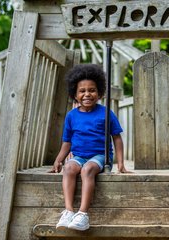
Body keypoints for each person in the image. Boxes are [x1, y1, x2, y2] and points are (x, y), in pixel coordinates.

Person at [50, 64, 130, 231]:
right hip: (78, 155)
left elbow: (117, 138)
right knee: (69, 168)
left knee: (87, 170)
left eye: (92, 90)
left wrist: (120, 163)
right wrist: (58, 160)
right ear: (75, 94)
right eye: (82, 91)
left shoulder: (106, 113)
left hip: (100, 156)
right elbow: (67, 142)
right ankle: (69, 211)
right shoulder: (72, 116)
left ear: (99, 92)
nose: (87, 94)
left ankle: (83, 214)